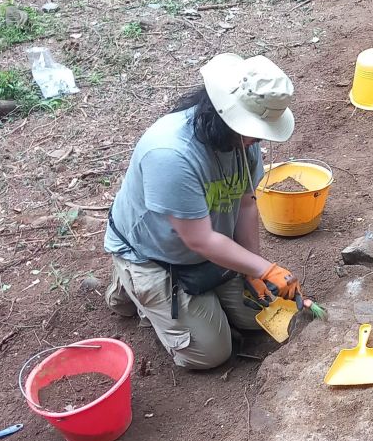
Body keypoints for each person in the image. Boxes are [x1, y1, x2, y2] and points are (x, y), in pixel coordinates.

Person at [104, 53, 302, 371]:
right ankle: (130, 283)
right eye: (256, 130)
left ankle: (184, 301)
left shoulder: (241, 140)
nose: (259, 139)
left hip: (206, 248)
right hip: (157, 256)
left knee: (256, 317)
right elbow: (201, 240)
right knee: (211, 353)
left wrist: (254, 272)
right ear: (226, 116)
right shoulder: (170, 154)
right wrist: (266, 268)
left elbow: (246, 203)